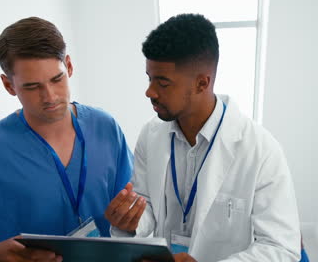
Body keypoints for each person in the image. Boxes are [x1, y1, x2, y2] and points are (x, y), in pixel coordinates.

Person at [105, 14, 301, 262]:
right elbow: (148, 204)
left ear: (202, 83)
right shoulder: (151, 134)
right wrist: (130, 220)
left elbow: (282, 249)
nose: (149, 92)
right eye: (149, 77)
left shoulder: (261, 150)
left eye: (163, 83)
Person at [0, 17, 133, 261]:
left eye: (57, 79)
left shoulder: (106, 127)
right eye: (32, 86)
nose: (50, 97)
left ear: (68, 66)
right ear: (8, 85)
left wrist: (133, 220)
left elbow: (134, 211)